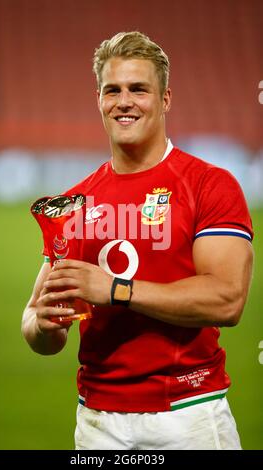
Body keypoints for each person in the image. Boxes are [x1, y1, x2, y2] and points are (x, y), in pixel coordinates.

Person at [22, 31, 254, 450]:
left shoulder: (209, 185)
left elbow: (227, 300)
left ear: (165, 99)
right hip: (96, 423)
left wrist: (113, 289)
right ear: (99, 99)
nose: (124, 101)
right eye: (113, 90)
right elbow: (34, 323)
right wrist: (43, 325)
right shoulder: (74, 202)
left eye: (138, 89)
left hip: (187, 416)